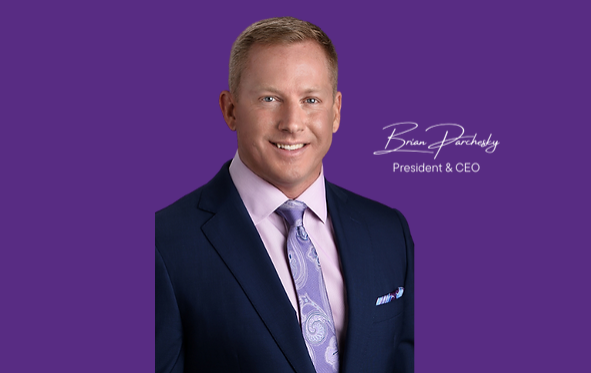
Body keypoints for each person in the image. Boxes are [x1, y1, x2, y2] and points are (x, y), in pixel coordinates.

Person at [156, 17, 414, 373]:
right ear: (230, 109)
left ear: (335, 111)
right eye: (269, 98)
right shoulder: (164, 244)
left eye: (310, 99)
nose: (292, 122)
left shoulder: (389, 232)